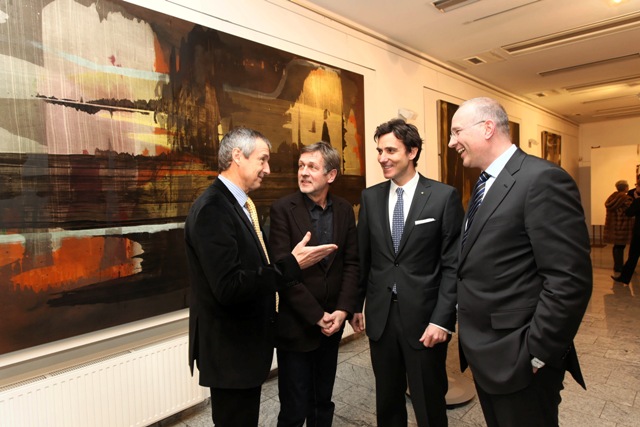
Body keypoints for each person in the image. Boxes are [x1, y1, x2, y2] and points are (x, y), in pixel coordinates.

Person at [448, 97, 592, 427]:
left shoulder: (542, 179)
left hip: (519, 356)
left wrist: (537, 353)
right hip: (487, 355)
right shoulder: (485, 183)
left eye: (457, 132)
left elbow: (569, 279)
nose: (452, 142)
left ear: (487, 128)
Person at [184, 127, 337, 427]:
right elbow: (229, 286)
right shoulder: (213, 209)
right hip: (231, 353)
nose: (267, 169)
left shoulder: (239, 205)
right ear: (237, 156)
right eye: (262, 159)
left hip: (243, 350)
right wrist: (292, 264)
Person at [350, 118, 464, 427]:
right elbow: (364, 257)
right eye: (379, 151)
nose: (382, 158)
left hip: (425, 319)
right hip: (381, 316)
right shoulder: (370, 198)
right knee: (387, 400)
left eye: (390, 150)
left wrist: (442, 319)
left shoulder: (443, 197)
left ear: (412, 152)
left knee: (429, 400)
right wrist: (356, 305)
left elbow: (453, 266)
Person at [269, 141, 359, 427]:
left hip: (332, 325)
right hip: (296, 326)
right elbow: (284, 273)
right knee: (294, 409)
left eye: (312, 167)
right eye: (301, 166)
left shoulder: (344, 210)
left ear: (330, 175)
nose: (303, 172)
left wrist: (342, 310)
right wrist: (317, 316)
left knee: (322, 402)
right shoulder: (282, 209)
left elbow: (351, 263)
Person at [612, 178, 640, 285]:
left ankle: (624, 277)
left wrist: (636, 200)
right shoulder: (628, 197)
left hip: (638, 233)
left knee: (632, 256)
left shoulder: (637, 200)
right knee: (632, 256)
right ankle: (624, 277)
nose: (635, 187)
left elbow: (629, 212)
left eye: (637, 185)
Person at [603, 180, 632, 274]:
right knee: (620, 246)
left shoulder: (612, 197)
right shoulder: (625, 199)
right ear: (626, 187)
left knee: (617, 246)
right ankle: (619, 266)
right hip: (622, 226)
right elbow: (630, 211)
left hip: (613, 226)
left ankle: (617, 266)